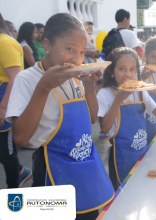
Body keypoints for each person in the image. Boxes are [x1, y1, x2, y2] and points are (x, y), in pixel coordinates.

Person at [6, 13, 114, 219]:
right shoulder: (27, 79)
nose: (76, 58)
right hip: (51, 166)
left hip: (83, 163)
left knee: (87, 213)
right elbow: (20, 138)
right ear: (47, 44)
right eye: (69, 49)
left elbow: (92, 118)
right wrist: (44, 87)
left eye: (81, 52)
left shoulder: (75, 79)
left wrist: (89, 85)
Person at [97, 47, 156, 189]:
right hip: (120, 157)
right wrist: (118, 100)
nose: (128, 74)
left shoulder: (140, 91)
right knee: (122, 195)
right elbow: (104, 129)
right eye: (122, 69)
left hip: (142, 153)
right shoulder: (105, 94)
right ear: (111, 71)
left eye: (132, 69)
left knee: (140, 190)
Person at [0, 13, 32, 189]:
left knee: (7, 150)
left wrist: (4, 107)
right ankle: (20, 171)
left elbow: (14, 76)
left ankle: (13, 187)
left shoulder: (4, 42)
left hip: (5, 98)